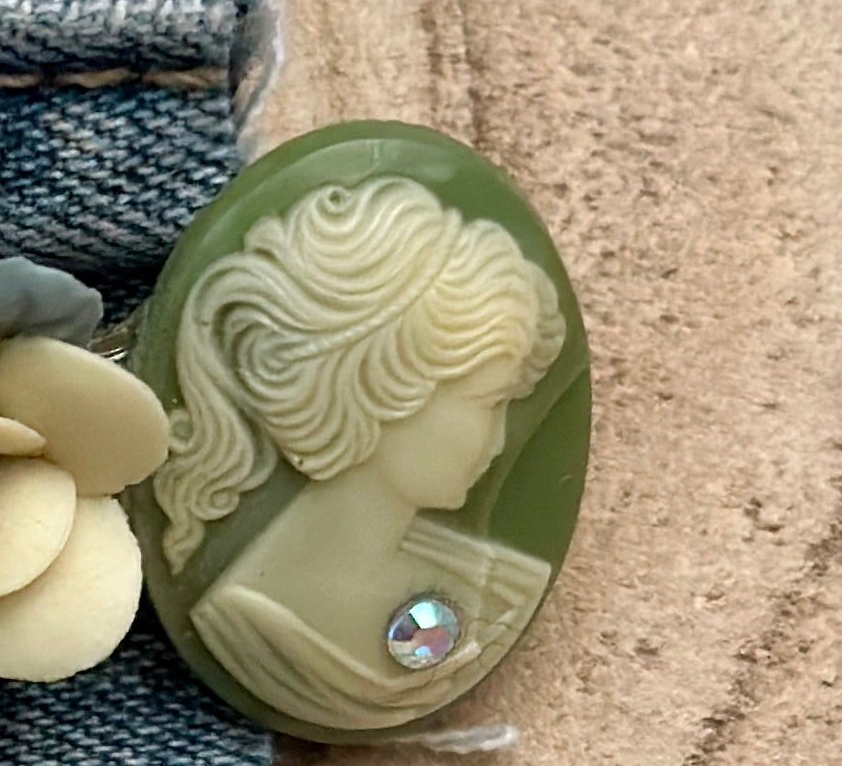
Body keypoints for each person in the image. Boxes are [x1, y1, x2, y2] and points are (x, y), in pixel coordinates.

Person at [152, 173, 565, 731]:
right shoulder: (251, 622)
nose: (497, 441)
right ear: (377, 387)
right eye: (485, 402)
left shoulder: (498, 582)